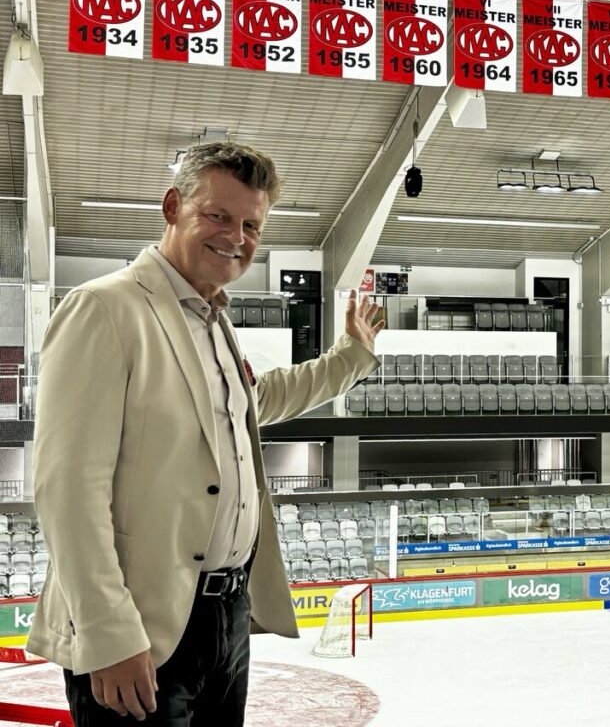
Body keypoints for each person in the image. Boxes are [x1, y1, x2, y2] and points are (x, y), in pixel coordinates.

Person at [27, 142, 385, 725]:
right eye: (217, 215)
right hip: (142, 625)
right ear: (174, 207)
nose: (236, 236)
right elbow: (68, 489)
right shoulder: (105, 308)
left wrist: (351, 357)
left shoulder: (213, 319)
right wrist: (109, 634)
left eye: (251, 224)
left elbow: (256, 402)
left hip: (227, 615)